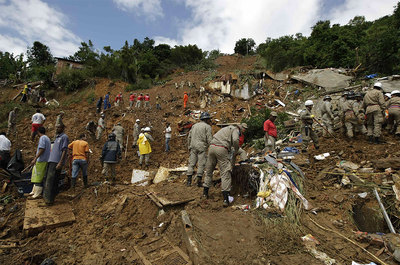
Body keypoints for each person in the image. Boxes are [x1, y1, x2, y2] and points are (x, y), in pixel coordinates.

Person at [203, 123, 247, 207]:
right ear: (240, 128)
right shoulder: (235, 130)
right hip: (221, 148)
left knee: (209, 170)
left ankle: (205, 193)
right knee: (225, 173)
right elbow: (235, 140)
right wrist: (237, 148)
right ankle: (226, 199)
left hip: (212, 147)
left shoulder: (225, 129)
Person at [43, 123, 69, 205]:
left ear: (63, 128)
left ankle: (50, 200)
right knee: (48, 180)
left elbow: (64, 150)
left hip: (56, 162)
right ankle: (46, 198)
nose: (57, 128)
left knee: (53, 180)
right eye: (56, 127)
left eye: (59, 127)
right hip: (51, 161)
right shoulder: (57, 137)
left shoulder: (64, 137)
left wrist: (60, 162)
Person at [186, 112, 213, 187]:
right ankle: (198, 181)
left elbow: (189, 137)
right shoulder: (207, 127)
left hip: (193, 146)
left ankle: (188, 181)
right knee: (201, 164)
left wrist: (189, 146)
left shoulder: (194, 126)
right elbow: (210, 139)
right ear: (207, 119)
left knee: (191, 163)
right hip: (201, 147)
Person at [28, 127, 51, 199]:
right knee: (36, 175)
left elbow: (42, 149)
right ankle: (34, 191)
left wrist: (35, 158)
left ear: (38, 132)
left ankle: (37, 194)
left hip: (42, 160)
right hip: (45, 159)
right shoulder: (47, 138)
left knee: (38, 176)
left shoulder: (42, 138)